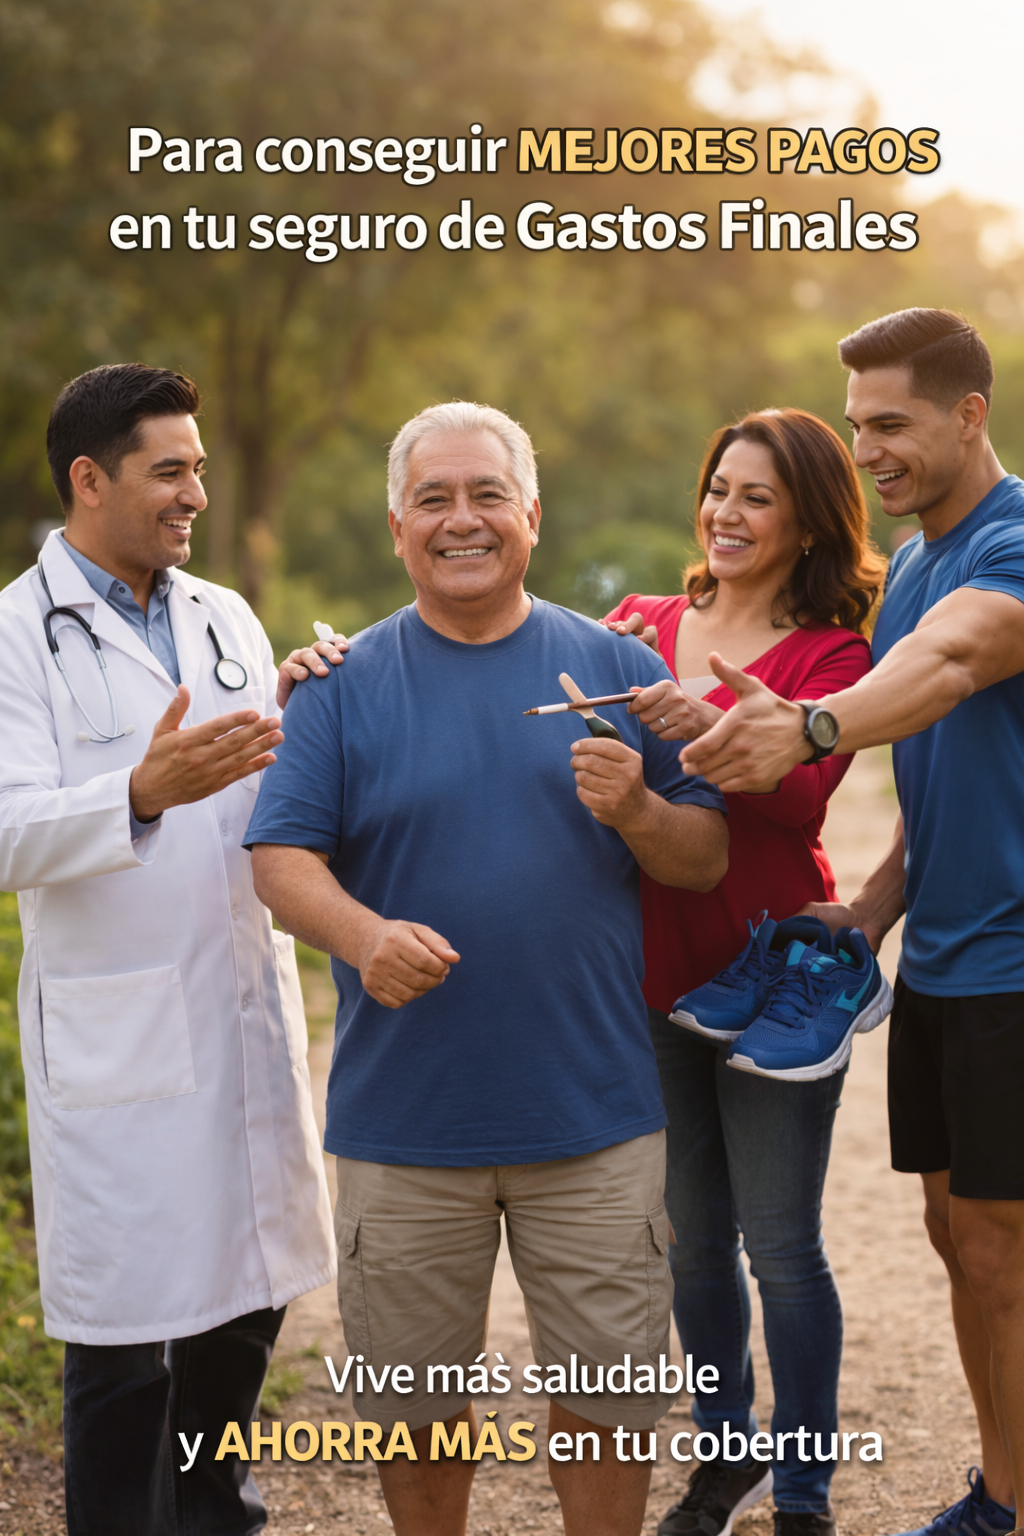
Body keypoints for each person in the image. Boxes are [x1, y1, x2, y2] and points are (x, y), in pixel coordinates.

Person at [243, 400, 729, 1536]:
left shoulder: (616, 667)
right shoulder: (339, 684)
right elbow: (279, 858)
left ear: (532, 516)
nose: (462, 520)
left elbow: (703, 858)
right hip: (405, 1128)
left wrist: (641, 809)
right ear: (398, 527)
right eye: (433, 499)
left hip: (596, 1121)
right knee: (415, 1415)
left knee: (608, 1408)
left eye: (486, 496)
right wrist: (363, 938)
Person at [680, 310, 1024, 1536]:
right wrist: (872, 905)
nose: (869, 449)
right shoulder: (921, 560)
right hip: (940, 957)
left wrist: (815, 725)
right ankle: (998, 1489)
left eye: (892, 424)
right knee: (956, 1234)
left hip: (1015, 966)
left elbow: (954, 662)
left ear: (966, 414)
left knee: (998, 1244)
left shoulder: (1009, 547)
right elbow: (955, 779)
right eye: (859, 424)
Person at [0, 363, 342, 1536]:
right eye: (170, 470)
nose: (195, 490)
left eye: (198, 467)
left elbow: (251, 791)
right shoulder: (14, 633)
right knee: (124, 1344)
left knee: (245, 1305)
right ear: (89, 481)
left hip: (238, 1005)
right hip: (120, 1033)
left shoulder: (221, 613)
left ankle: (218, 1514)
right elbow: (4, 831)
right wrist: (134, 793)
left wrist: (302, 717)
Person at [603, 409, 884, 1536]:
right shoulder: (633, 624)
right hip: (647, 971)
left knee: (780, 1243)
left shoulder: (833, 656)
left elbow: (801, 796)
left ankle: (804, 1491)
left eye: (757, 496)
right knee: (691, 1241)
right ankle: (726, 1462)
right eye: (719, 487)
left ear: (807, 518)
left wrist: (704, 713)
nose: (726, 511)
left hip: (777, 982)